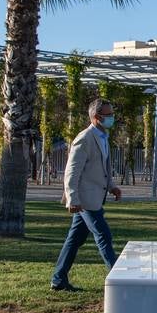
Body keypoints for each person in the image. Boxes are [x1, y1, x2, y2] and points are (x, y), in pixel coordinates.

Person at [51, 99, 122, 292]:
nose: (112, 118)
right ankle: (120, 279)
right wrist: (72, 199)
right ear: (96, 117)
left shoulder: (103, 137)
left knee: (74, 240)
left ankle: (58, 279)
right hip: (85, 200)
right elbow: (71, 172)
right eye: (108, 115)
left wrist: (112, 187)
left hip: (94, 197)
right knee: (103, 235)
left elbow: (102, 168)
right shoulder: (84, 138)